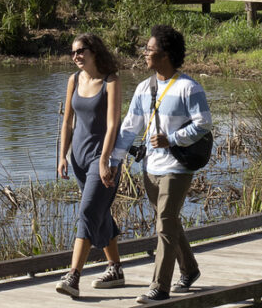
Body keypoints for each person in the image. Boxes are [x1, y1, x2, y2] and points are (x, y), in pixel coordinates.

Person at [116, 24, 210, 304]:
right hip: (150, 168)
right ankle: (190, 270)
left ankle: (159, 287)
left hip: (177, 167)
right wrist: (114, 160)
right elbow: (129, 126)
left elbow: (204, 123)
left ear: (165, 54)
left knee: (164, 223)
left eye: (149, 49)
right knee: (167, 221)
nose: (145, 53)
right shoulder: (145, 87)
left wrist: (173, 138)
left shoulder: (188, 88)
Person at [54, 33, 126, 298]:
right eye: (72, 52)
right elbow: (67, 122)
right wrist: (62, 155)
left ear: (94, 51)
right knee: (100, 212)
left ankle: (73, 276)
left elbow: (112, 125)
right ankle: (115, 268)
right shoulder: (73, 80)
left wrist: (106, 160)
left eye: (81, 51)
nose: (76, 56)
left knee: (87, 211)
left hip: (102, 159)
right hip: (79, 159)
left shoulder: (111, 81)